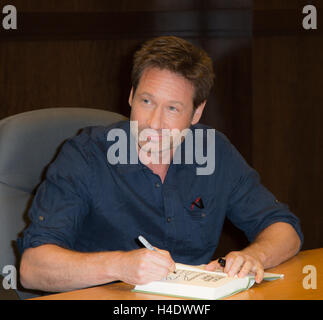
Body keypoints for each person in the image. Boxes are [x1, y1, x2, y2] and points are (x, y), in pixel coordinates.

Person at [18, 36, 303, 293]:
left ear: (196, 112)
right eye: (146, 101)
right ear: (131, 95)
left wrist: (255, 257)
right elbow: (32, 269)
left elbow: (284, 228)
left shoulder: (213, 152)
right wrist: (119, 265)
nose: (154, 123)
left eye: (172, 108)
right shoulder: (85, 156)